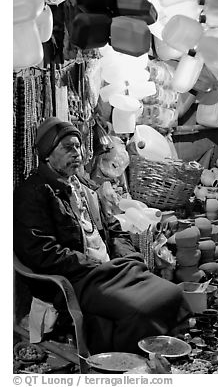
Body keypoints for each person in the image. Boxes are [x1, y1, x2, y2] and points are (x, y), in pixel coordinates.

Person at [13, 117, 191, 354]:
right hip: (76, 277)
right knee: (141, 309)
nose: (76, 153)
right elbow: (39, 251)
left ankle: (163, 359)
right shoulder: (32, 192)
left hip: (107, 271)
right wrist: (92, 265)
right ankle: (128, 364)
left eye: (78, 146)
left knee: (172, 293)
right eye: (67, 147)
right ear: (47, 153)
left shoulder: (83, 187)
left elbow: (114, 230)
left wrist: (128, 258)